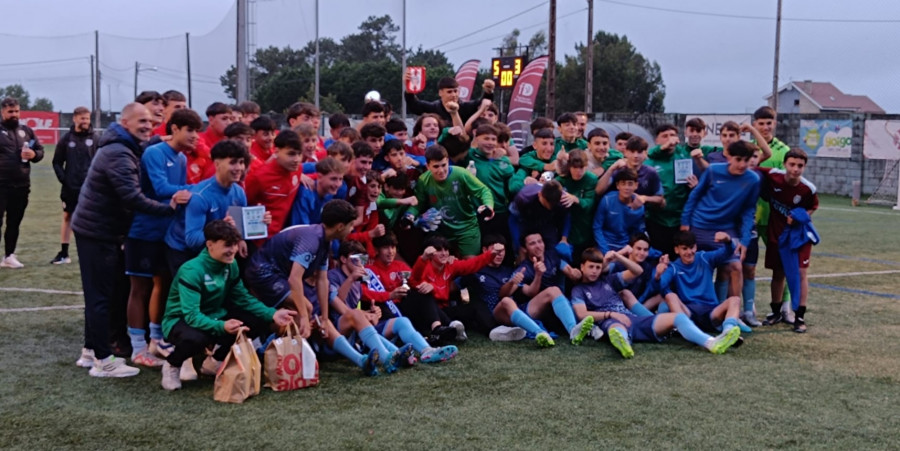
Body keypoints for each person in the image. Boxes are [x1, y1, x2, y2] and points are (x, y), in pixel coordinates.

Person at [71, 103, 176, 377]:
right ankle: (103, 361)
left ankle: (90, 351)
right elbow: (132, 197)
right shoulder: (118, 152)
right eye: (141, 121)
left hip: (101, 229)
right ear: (124, 122)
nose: (147, 126)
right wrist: (171, 208)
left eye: (150, 122)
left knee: (101, 293)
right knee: (100, 296)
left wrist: (160, 140)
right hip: (97, 232)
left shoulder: (125, 146)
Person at [160, 220, 295, 390]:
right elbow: (191, 315)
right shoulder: (191, 270)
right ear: (210, 245)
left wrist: (272, 314)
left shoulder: (231, 265)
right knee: (196, 339)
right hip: (180, 321)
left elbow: (243, 299)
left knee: (257, 320)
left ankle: (214, 362)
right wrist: (222, 326)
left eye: (235, 245)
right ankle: (172, 364)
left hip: (214, 315)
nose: (233, 250)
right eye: (227, 245)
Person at [125, 108, 200, 367]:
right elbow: (161, 189)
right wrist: (200, 189)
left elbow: (177, 196)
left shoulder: (180, 158)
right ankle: (137, 347)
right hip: (143, 230)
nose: (194, 136)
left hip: (165, 232)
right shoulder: (155, 153)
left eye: (196, 131)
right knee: (139, 288)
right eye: (190, 130)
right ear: (175, 129)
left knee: (164, 284)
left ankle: (156, 340)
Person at [571, 248, 741, 358]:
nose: (594, 271)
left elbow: (637, 271)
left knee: (677, 318)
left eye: (597, 267)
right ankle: (625, 346)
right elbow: (582, 314)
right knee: (617, 329)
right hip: (610, 320)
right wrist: (610, 314)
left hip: (634, 318)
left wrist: (617, 257)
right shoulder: (577, 290)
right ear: (582, 267)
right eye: (590, 267)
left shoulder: (609, 280)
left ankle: (711, 343)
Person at [680, 140, 761, 300]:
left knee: (735, 267)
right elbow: (695, 196)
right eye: (739, 159)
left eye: (747, 160)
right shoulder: (713, 170)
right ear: (729, 157)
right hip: (699, 226)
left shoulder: (753, 179)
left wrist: (744, 240)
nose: (743, 164)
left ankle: (732, 315)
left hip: (726, 229)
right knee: (695, 268)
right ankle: (700, 309)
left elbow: (748, 210)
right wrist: (685, 223)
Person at [164, 140, 259, 274]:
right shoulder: (201, 196)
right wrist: (221, 229)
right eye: (232, 162)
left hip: (214, 250)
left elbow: (238, 226)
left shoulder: (238, 192)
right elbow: (192, 240)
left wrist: (255, 226)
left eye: (241, 162)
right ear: (217, 164)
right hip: (184, 252)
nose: (239, 168)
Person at [757, 149, 819, 333]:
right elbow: (753, 167)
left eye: (800, 166)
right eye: (792, 164)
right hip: (777, 234)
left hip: (799, 237)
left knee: (800, 273)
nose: (795, 169)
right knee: (778, 274)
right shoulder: (773, 176)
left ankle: (799, 316)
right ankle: (775, 311)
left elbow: (813, 206)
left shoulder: (808, 189)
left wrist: (801, 216)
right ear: (784, 164)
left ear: (804, 167)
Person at [404, 145, 494, 257]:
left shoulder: (461, 174)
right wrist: (409, 215)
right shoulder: (423, 180)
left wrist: (488, 205)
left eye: (443, 165)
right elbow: (418, 204)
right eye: (436, 166)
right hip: (441, 231)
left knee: (470, 265)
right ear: (428, 166)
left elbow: (483, 190)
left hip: (466, 229)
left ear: (448, 161)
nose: (441, 170)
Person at [506, 231, 594, 346]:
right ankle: (573, 330)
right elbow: (531, 293)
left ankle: (591, 328)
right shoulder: (523, 269)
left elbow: (569, 270)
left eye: (540, 241)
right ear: (525, 249)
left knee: (572, 301)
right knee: (553, 291)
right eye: (532, 243)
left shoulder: (551, 256)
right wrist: (538, 275)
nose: (538, 245)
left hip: (552, 309)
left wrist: (575, 273)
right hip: (530, 311)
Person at [752, 106, 795, 323]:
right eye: (761, 123)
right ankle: (747, 309)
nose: (766, 127)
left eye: (769, 123)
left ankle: (784, 308)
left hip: (776, 218)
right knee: (745, 266)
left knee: (782, 265)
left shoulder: (783, 150)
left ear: (775, 124)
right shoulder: (747, 148)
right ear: (755, 125)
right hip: (751, 216)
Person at [658, 231, 744, 337]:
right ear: (677, 250)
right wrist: (659, 273)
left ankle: (728, 332)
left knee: (735, 300)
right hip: (688, 313)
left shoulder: (704, 258)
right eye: (684, 248)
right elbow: (660, 286)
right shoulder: (673, 267)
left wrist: (728, 241)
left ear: (696, 247)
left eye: (692, 247)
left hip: (711, 312)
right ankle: (686, 329)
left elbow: (728, 252)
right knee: (671, 296)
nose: (689, 252)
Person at [0, 97, 44, 268]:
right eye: (10, 112)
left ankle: (9, 256)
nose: (14, 115)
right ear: (3, 112)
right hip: (1, 185)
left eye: (16, 111)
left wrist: (34, 155)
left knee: (14, 222)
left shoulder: (26, 131)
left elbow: (39, 151)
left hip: (21, 185)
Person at [51, 106, 98, 265]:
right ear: (75, 119)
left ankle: (92, 254)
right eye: (82, 118)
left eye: (87, 118)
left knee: (92, 219)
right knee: (67, 217)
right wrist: (65, 180)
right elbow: (57, 162)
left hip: (90, 189)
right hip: (70, 188)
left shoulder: (96, 139)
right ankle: (64, 253)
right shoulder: (66, 139)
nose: (85, 121)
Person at [643, 124, 696, 257]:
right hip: (656, 220)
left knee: (679, 259)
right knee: (659, 258)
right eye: (665, 136)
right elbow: (650, 153)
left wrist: (695, 186)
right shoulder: (650, 162)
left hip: (680, 220)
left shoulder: (683, 155)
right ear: (657, 140)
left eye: (672, 135)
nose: (670, 139)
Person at [245, 130, 304, 238]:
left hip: (284, 235)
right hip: (260, 239)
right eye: (291, 154)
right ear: (276, 152)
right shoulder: (259, 177)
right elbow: (242, 205)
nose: (296, 159)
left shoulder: (297, 169)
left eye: (299, 154)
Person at [465, 124, 514, 238]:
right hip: (475, 213)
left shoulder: (503, 161)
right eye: (486, 138)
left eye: (493, 139)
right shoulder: (469, 156)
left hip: (499, 213)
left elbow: (511, 186)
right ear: (476, 139)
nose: (490, 142)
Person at [556, 149, 598, 260]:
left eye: (581, 168)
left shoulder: (591, 179)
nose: (578, 172)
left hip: (584, 225)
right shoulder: (563, 179)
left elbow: (590, 203)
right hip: (565, 226)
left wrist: (575, 199)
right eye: (575, 168)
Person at [593, 168, 646, 254]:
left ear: (636, 185)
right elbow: (597, 227)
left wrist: (629, 246)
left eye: (630, 184)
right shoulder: (607, 200)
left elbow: (637, 232)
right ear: (618, 185)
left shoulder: (639, 206)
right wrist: (605, 250)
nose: (626, 187)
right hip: (605, 243)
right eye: (623, 184)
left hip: (625, 245)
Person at [405, 75, 495, 124]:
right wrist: (409, 90)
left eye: (456, 91)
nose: (454, 95)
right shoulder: (433, 108)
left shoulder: (465, 108)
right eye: (449, 92)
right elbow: (414, 106)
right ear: (440, 93)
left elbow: (483, 103)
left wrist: (488, 91)